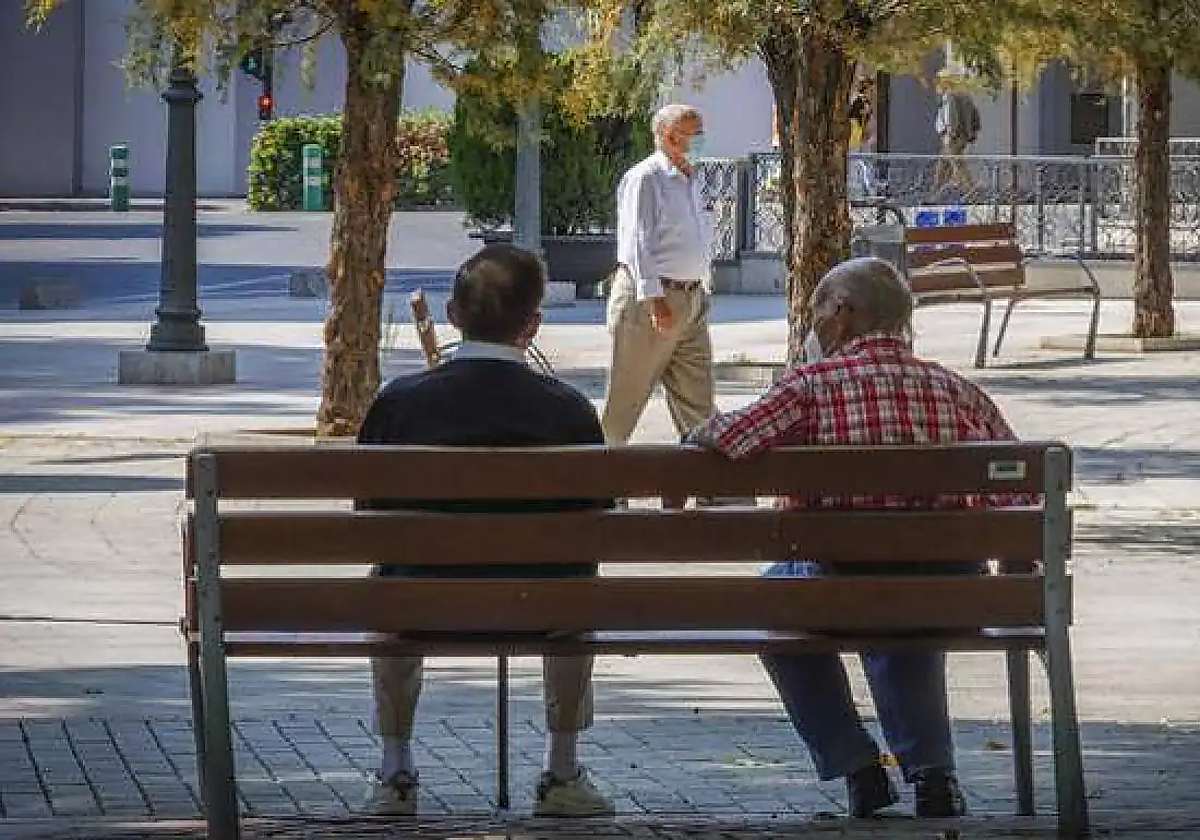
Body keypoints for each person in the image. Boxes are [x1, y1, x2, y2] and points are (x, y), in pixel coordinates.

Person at [686, 257, 1021, 819]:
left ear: (841, 314)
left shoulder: (809, 387)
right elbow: (1016, 495)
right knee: (902, 596)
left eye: (817, 308)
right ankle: (934, 775)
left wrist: (698, 429)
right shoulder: (954, 388)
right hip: (950, 593)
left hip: (838, 584)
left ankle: (857, 766)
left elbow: (732, 438)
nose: (813, 321)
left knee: (780, 606)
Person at [356, 243, 615, 818]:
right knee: (579, 581)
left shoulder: (400, 404)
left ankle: (395, 773)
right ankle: (563, 772)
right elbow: (597, 521)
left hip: (421, 601)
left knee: (388, 577)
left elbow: (368, 512)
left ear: (453, 315)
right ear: (533, 325)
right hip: (544, 606)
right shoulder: (568, 409)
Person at [602, 103, 714, 445]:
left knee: (699, 404)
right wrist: (654, 300)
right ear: (670, 136)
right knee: (625, 401)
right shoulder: (647, 177)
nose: (701, 140)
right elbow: (638, 242)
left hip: (692, 299)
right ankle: (597, 487)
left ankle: (711, 490)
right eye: (695, 134)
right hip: (653, 299)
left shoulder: (690, 178)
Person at [933, 71, 979, 191]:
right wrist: (972, 133)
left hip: (953, 137)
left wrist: (950, 134)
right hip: (962, 136)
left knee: (956, 163)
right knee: (944, 163)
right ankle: (936, 190)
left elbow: (951, 116)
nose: (936, 87)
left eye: (938, 83)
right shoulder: (966, 96)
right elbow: (975, 116)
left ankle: (970, 190)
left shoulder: (949, 96)